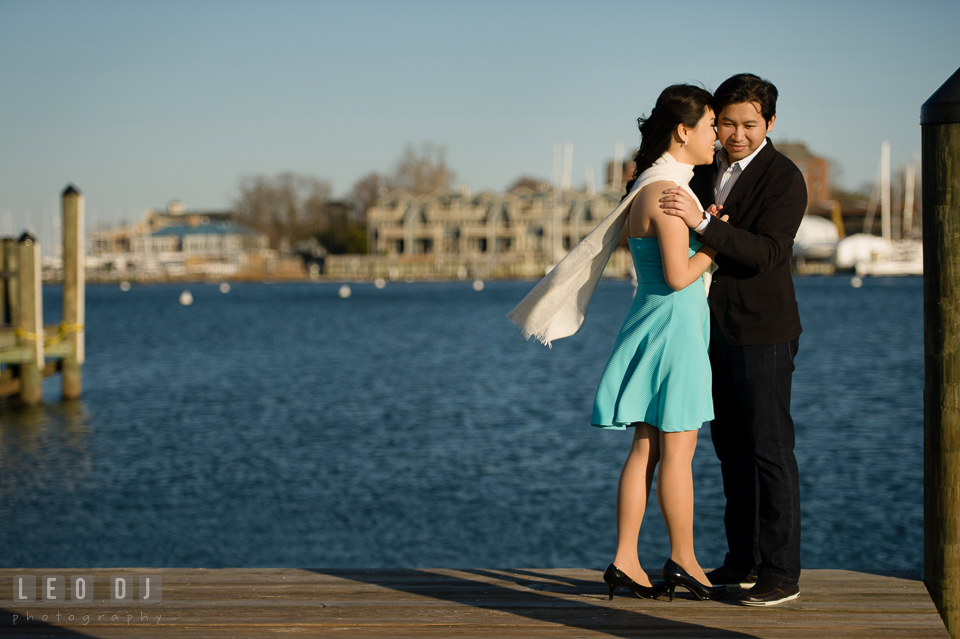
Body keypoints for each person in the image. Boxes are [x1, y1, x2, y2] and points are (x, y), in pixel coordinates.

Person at [660, 73, 806, 606]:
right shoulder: (703, 167)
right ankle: (742, 560)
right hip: (709, 328)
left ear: (770, 123)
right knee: (730, 449)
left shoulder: (786, 177)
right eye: (726, 123)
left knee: (770, 449)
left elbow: (770, 253)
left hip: (764, 331)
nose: (736, 134)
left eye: (748, 124)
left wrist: (703, 222)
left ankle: (780, 574)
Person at [591, 84, 728, 603]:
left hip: (650, 321)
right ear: (683, 131)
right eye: (712, 127)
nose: (717, 137)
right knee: (678, 449)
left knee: (647, 446)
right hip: (674, 324)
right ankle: (683, 559)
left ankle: (626, 559)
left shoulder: (648, 186)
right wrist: (713, 242)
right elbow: (678, 275)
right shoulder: (670, 193)